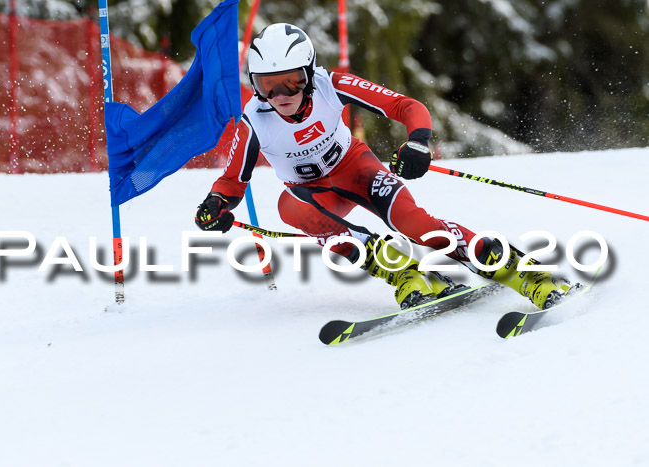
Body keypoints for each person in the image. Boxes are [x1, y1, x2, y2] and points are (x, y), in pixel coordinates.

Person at [195, 23, 573, 310]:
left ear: (309, 75)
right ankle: (404, 273)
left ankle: (523, 272)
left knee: (416, 226)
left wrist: (416, 141)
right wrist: (215, 205)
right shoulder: (254, 120)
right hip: (314, 193)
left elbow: (406, 107)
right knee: (289, 206)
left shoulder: (333, 85)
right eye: (267, 86)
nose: (280, 97)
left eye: (291, 83)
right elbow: (232, 180)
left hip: (356, 169)